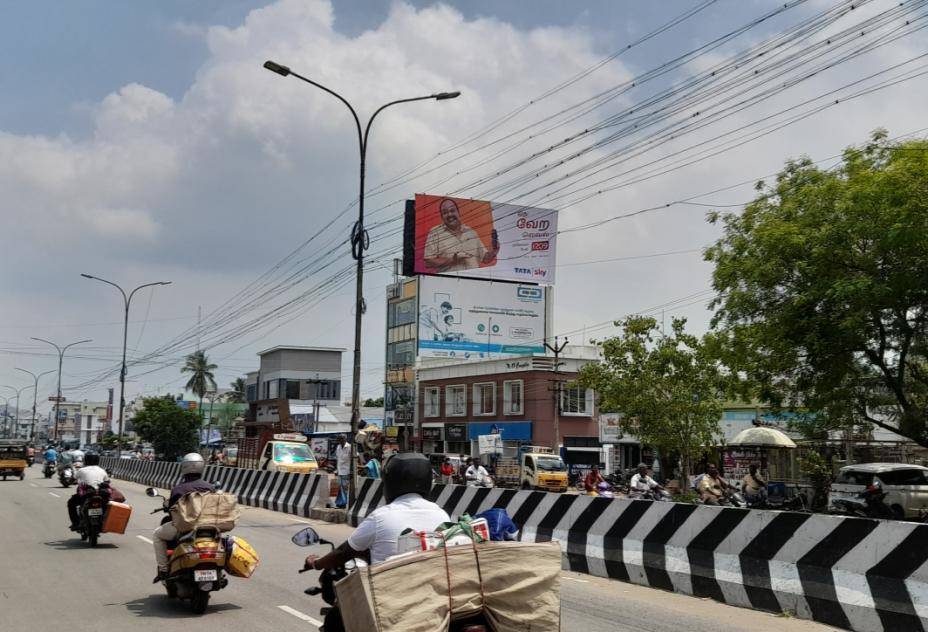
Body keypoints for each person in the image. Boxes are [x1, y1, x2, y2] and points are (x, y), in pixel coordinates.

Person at [305, 453, 449, 569]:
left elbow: (343, 552)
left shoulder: (381, 517)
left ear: (390, 483)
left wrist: (316, 563)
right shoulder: (442, 516)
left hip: (388, 596)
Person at [152, 453, 215, 580]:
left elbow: (172, 510)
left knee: (157, 535)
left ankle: (163, 569)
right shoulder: (210, 488)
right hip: (207, 527)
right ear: (201, 467)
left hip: (184, 528)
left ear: (184, 467)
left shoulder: (178, 489)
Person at [423, 198, 500, 272]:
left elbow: (485, 259)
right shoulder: (435, 233)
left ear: (458, 212)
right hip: (449, 282)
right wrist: (452, 260)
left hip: (473, 280)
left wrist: (493, 252)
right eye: (445, 212)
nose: (449, 214)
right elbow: (427, 262)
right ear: (441, 216)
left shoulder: (471, 232)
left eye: (452, 210)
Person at [67, 451, 110, 530]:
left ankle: (76, 523)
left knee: (71, 503)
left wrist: (70, 482)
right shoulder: (102, 470)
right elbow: (107, 481)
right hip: (100, 494)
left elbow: (73, 479)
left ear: (86, 460)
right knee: (108, 506)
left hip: (86, 494)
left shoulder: (81, 470)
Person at [334, 434, 351, 509]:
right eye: (339, 439)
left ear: (344, 439)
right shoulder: (338, 447)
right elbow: (338, 459)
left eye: (341, 439)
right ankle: (340, 503)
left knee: (344, 488)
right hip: (340, 470)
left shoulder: (350, 447)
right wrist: (336, 470)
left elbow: (355, 458)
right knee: (340, 487)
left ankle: (343, 503)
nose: (340, 441)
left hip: (346, 470)